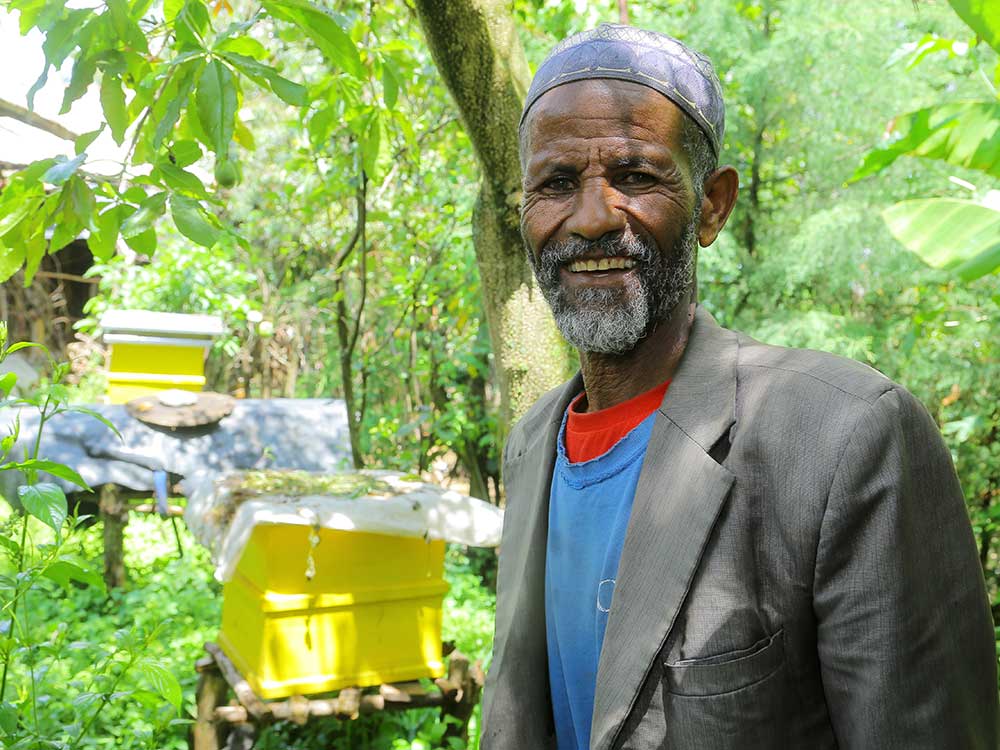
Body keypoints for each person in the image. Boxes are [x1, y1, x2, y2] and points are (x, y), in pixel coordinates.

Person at [480, 23, 999, 750]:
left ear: (713, 205)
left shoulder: (845, 440)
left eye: (635, 177)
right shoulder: (532, 444)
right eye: (557, 183)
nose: (592, 217)